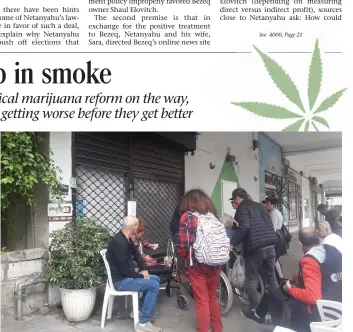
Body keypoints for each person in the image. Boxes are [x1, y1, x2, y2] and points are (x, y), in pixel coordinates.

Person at [256, 227, 342, 332]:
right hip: (338, 306)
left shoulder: (310, 260)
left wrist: (290, 290)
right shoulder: (333, 251)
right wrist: (300, 278)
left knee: (272, 291)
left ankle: (277, 323)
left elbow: (312, 297)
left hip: (318, 312)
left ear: (300, 243)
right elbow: (326, 275)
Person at [176, 189, 224, 332]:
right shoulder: (212, 216)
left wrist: (183, 258)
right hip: (216, 263)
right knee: (212, 297)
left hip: (198, 266)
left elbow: (185, 246)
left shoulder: (187, 218)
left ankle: (202, 329)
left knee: (202, 300)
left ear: (187, 202)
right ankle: (217, 328)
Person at [106, 216, 162, 332]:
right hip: (120, 281)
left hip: (127, 276)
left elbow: (136, 254)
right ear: (133, 228)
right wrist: (141, 276)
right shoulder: (119, 243)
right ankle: (143, 324)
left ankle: (138, 311)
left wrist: (144, 269)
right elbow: (123, 271)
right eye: (137, 227)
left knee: (155, 279)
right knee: (153, 285)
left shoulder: (125, 238)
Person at [229, 188, 278, 319]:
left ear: (238, 199)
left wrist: (232, 243)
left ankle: (255, 309)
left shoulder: (242, 208)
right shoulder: (259, 206)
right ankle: (278, 306)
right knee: (272, 278)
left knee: (251, 279)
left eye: (234, 200)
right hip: (271, 245)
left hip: (256, 248)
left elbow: (244, 227)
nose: (235, 203)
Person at [265, 196, 285, 280]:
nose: (266, 205)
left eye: (268, 204)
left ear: (273, 204)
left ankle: (279, 277)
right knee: (274, 258)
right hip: (279, 234)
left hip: (275, 235)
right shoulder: (276, 212)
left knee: (274, 258)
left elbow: (272, 228)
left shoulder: (273, 213)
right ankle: (279, 277)